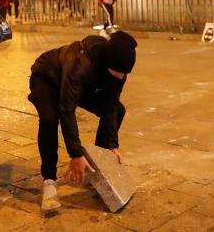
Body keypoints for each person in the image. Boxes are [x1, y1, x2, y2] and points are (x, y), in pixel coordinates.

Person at [28, 31, 137, 211]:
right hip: (48, 77)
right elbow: (67, 110)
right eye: (118, 72)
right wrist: (76, 154)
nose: (120, 77)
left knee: (118, 110)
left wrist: (111, 146)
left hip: (82, 85)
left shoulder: (118, 70)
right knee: (49, 118)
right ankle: (49, 181)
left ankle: (96, 168)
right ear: (108, 62)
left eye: (124, 74)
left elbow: (110, 105)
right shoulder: (79, 64)